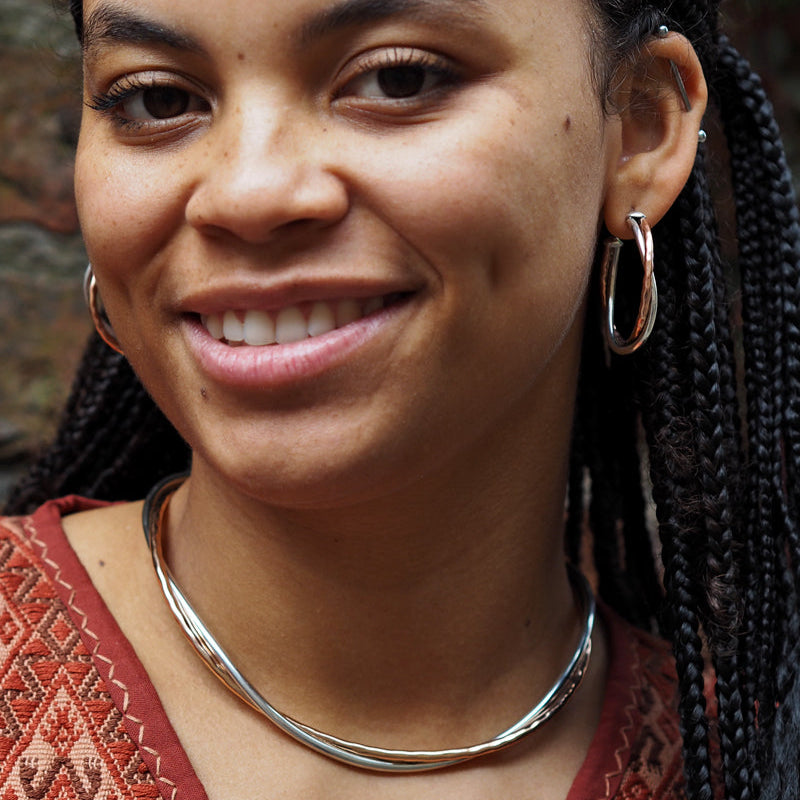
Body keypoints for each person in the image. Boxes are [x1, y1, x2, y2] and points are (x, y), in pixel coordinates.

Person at [3, 0, 799, 797]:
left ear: (642, 127)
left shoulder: (744, 770)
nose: (248, 194)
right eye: (156, 99)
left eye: (398, 78)